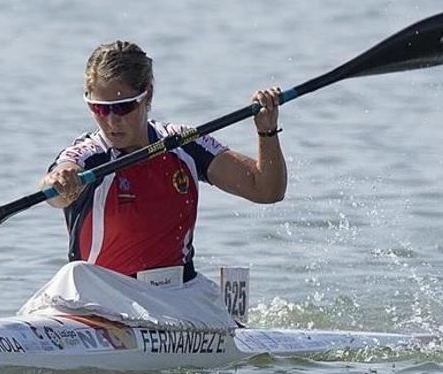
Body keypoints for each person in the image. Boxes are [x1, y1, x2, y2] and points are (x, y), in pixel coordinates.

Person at [39, 40, 287, 284]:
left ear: (148, 95)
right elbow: (55, 190)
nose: (112, 121)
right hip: (101, 296)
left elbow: (266, 190)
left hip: (177, 294)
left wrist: (267, 132)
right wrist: (59, 183)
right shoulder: (89, 154)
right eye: (100, 109)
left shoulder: (184, 142)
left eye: (124, 107)